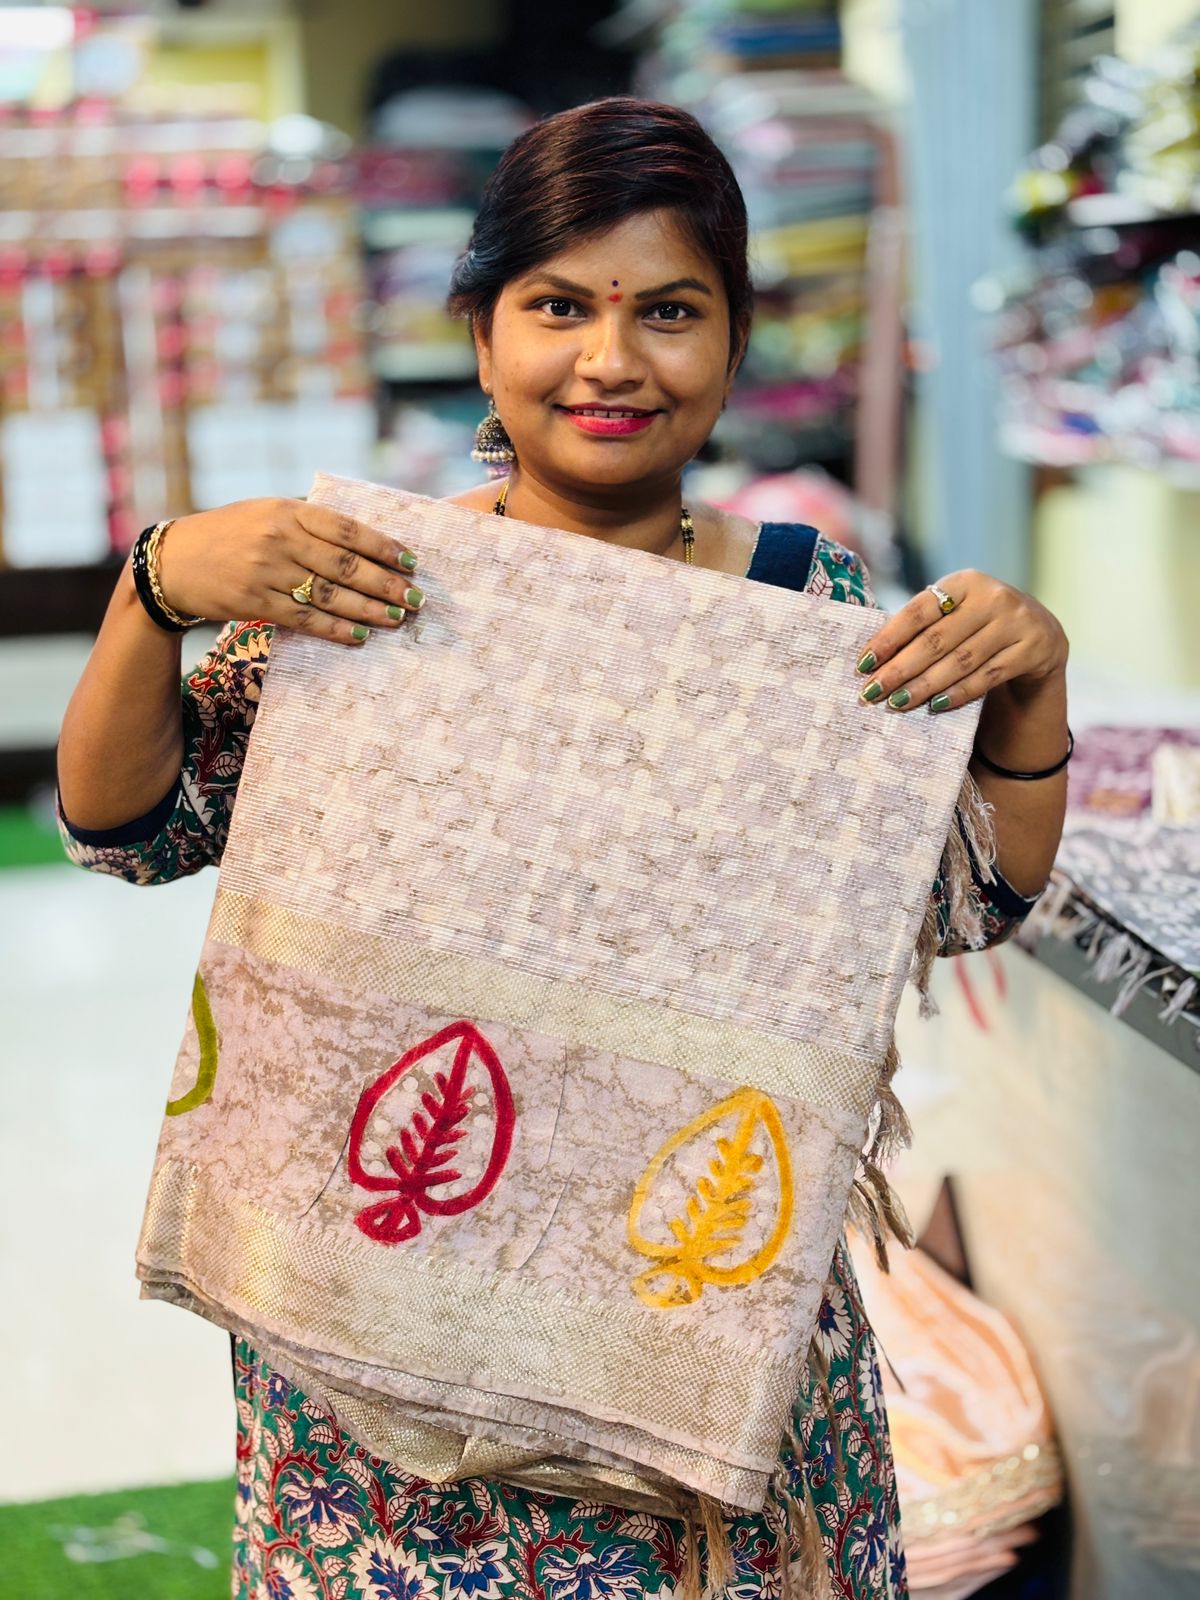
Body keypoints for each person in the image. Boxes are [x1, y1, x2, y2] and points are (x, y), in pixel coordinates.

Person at [56, 97, 1069, 1600]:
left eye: (669, 310)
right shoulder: (371, 590)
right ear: (482, 339)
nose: (610, 359)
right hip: (380, 1389)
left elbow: (961, 900)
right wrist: (155, 588)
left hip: (700, 1363)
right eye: (557, 307)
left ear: (732, 347)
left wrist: (1029, 684)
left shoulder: (807, 605)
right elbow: (131, 829)